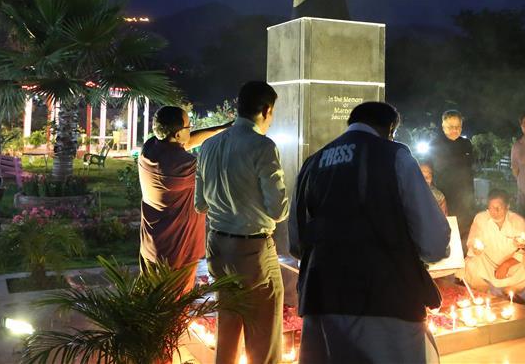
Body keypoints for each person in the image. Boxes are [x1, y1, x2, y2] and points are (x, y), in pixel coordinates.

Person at [290, 101, 450, 364]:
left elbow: (296, 243)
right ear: (390, 129)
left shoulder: (313, 163)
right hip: (385, 298)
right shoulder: (394, 156)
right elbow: (433, 242)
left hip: (322, 298)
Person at [195, 81, 289, 364]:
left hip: (217, 247)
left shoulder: (208, 146)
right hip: (253, 251)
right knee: (263, 334)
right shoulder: (262, 146)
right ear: (266, 110)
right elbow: (278, 210)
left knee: (228, 326)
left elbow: (200, 204)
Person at [138, 106, 231, 291]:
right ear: (178, 134)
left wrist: (220, 129)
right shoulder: (184, 166)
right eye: (189, 126)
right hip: (176, 252)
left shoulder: (150, 148)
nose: (191, 129)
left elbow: (186, 142)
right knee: (174, 305)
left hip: (152, 245)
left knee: (149, 302)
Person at [463, 189, 525, 295]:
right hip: (487, 264)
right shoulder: (480, 218)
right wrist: (475, 249)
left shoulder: (519, 221)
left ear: (507, 206)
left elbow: (524, 250)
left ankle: (511, 293)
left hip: (511, 265)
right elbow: (472, 241)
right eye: (491, 208)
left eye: (499, 208)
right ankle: (485, 291)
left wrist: (506, 265)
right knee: (471, 264)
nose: (495, 211)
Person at [430, 110, 474, 238]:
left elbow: (470, 170)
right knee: (443, 233)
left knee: (462, 233)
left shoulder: (466, 144)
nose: (454, 130)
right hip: (444, 197)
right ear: (443, 126)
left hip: (464, 198)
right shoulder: (435, 144)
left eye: (457, 127)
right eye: (450, 127)